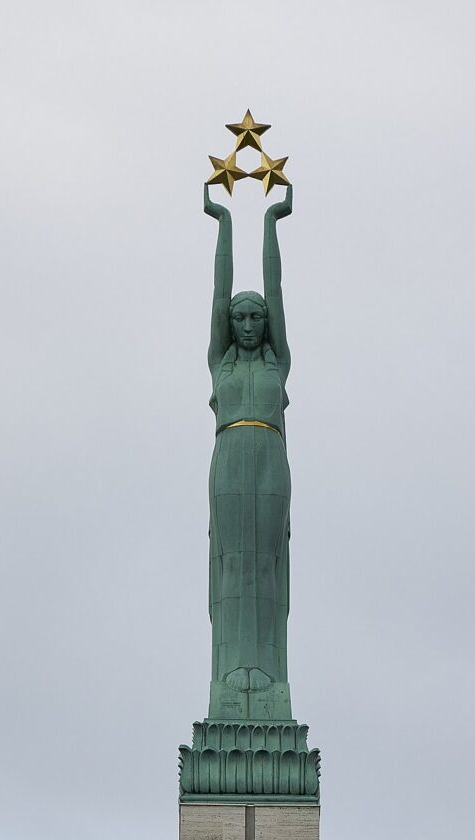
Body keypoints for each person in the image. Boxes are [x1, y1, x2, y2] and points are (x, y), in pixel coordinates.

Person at [204, 182, 294, 715]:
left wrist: (271, 223)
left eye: (256, 317)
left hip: (270, 462)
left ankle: (268, 672)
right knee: (232, 563)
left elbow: (277, 292)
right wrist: (224, 224)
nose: (248, 324)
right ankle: (231, 673)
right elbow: (218, 294)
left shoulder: (277, 365)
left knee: (267, 563)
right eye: (240, 318)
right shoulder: (222, 364)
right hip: (230, 458)